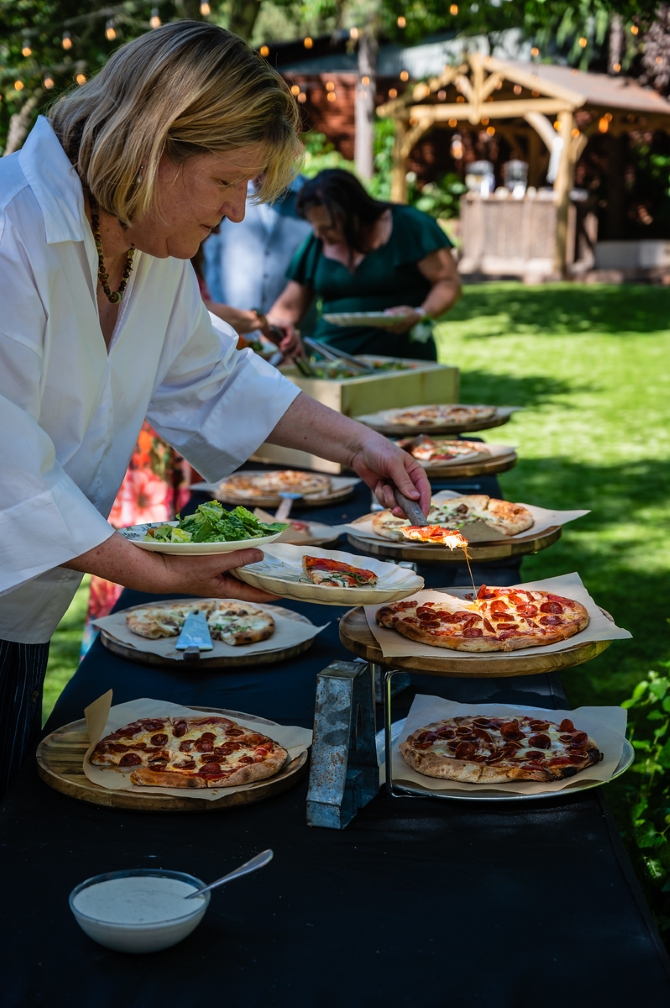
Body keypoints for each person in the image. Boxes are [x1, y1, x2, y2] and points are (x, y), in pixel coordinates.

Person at [0, 22, 429, 794]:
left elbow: (217, 381)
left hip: (21, 611)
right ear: (153, 147)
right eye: (227, 181)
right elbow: (8, 471)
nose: (236, 212)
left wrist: (359, 443)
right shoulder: (9, 231)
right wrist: (153, 573)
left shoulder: (146, 249)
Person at [267, 168, 462, 361]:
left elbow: (447, 282)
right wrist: (265, 333)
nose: (319, 235)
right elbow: (289, 307)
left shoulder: (410, 225)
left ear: (355, 214)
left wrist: (421, 313)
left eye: (328, 227)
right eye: (314, 226)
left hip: (403, 364)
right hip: (331, 365)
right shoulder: (318, 242)